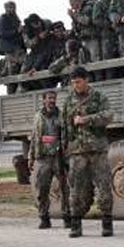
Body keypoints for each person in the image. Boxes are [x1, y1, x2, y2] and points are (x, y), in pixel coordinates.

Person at [61, 67, 114, 237]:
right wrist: (65, 148)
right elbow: (64, 126)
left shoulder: (98, 97)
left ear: (86, 80)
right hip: (77, 151)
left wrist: (87, 119)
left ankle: (107, 223)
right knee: (76, 189)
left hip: (97, 149)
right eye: (73, 82)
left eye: (78, 82)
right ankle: (76, 225)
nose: (76, 85)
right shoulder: (68, 101)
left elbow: (108, 115)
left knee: (104, 186)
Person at [28, 90, 71, 229]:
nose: (52, 100)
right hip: (43, 158)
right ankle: (44, 218)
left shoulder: (62, 115)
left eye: (54, 98)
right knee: (42, 189)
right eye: (49, 98)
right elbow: (34, 137)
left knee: (65, 188)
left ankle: (67, 217)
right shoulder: (38, 116)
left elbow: (68, 135)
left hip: (59, 157)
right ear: (44, 100)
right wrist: (30, 157)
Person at [0, 1, 25, 78]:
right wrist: (16, 31)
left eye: (14, 7)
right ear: (6, 8)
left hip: (19, 47)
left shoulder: (16, 18)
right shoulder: (3, 19)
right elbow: (0, 33)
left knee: (24, 65)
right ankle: (13, 85)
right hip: (10, 49)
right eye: (10, 7)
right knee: (12, 69)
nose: (12, 9)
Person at [70, 0, 100, 65]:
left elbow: (87, 21)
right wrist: (73, 18)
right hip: (83, 39)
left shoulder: (87, 8)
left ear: (77, 2)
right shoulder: (77, 12)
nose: (72, 7)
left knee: (95, 59)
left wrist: (75, 16)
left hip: (92, 38)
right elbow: (76, 28)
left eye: (72, 4)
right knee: (86, 61)